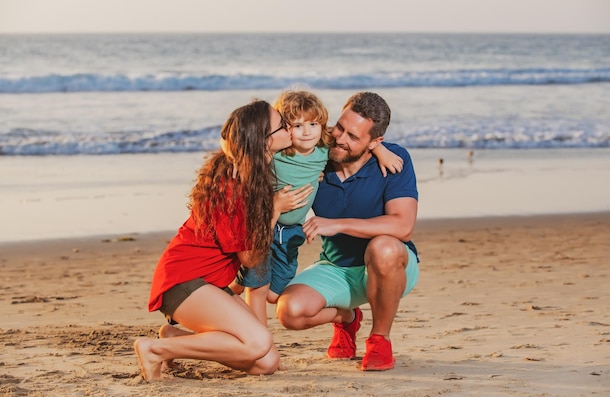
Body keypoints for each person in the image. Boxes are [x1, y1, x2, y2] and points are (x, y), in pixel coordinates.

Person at [133, 99, 312, 380]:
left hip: (209, 284)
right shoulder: (233, 185)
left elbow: (320, 143)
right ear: (263, 140)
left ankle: (173, 339)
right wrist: (275, 209)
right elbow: (251, 259)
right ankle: (155, 349)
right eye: (282, 124)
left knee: (266, 362)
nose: (289, 127)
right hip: (184, 281)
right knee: (257, 343)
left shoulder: (251, 170)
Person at [230, 90, 404, 326]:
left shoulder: (324, 149)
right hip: (266, 225)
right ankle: (257, 340)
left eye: (313, 124)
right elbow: (247, 143)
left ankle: (358, 324)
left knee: (272, 294)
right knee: (258, 290)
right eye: (297, 125)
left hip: (291, 235)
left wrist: (379, 150)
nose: (307, 131)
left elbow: (354, 135)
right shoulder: (283, 150)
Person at [275, 92, 419, 371]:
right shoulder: (316, 155)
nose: (340, 139)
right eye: (339, 127)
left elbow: (403, 225)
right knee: (289, 313)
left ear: (375, 142)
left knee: (384, 246)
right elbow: (282, 128)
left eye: (353, 137)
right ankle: (346, 318)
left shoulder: (394, 159)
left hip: (391, 266)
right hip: (336, 267)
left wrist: (338, 224)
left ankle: (380, 340)